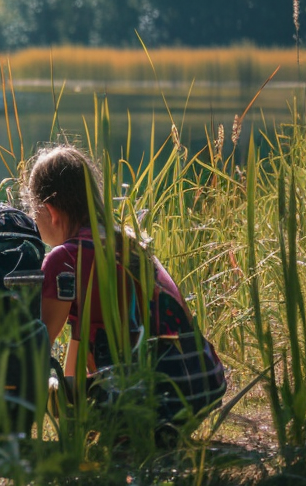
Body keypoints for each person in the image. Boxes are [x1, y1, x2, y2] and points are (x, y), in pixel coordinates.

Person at [24, 144, 225, 423]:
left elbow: (38, 344)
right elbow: (80, 338)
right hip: (199, 382)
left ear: (50, 211)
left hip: (147, 392)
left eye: (35, 213)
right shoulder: (128, 242)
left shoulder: (65, 257)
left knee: (36, 382)